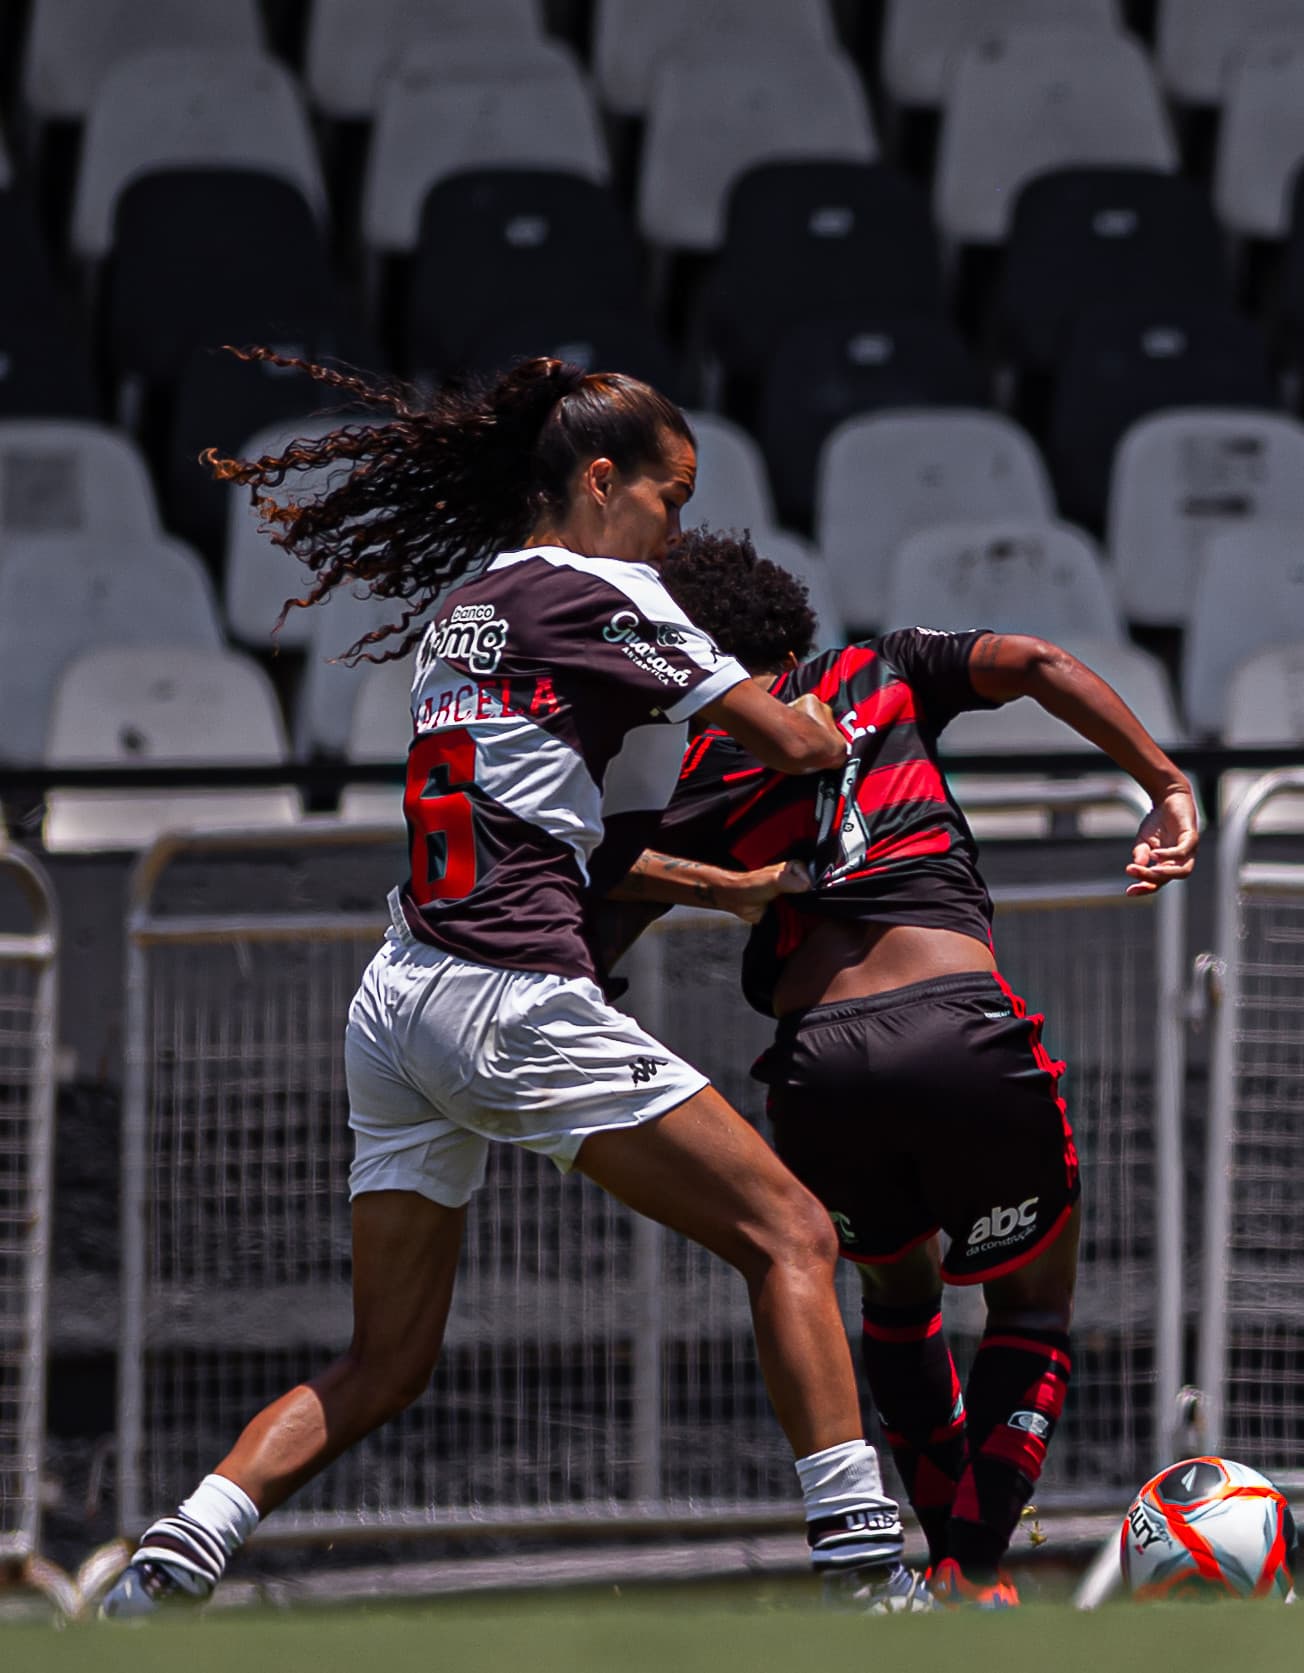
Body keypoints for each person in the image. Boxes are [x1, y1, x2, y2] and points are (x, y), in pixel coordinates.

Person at [102, 355, 926, 1616]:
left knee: (386, 1360)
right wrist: (850, 701)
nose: (676, 531)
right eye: (669, 498)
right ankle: (867, 1573)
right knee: (793, 1234)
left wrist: (720, 886)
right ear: (600, 481)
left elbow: (551, 828)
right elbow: (801, 741)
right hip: (509, 996)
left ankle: (170, 1559)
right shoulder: (610, 593)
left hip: (398, 999)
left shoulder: (467, 607)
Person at [597, 530, 1198, 1609]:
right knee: (1031, 1309)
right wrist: (1163, 782)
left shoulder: (705, 769)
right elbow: (1038, 662)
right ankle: (971, 1569)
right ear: (793, 634)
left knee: (897, 1295)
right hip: (959, 1029)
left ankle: (937, 1572)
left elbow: (609, 896)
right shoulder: (883, 667)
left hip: (819, 1068)